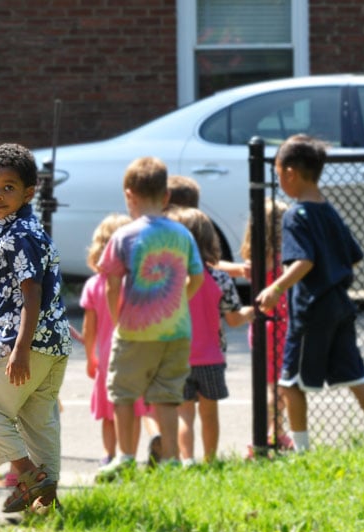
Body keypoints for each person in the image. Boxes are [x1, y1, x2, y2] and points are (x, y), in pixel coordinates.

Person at [255, 134, 364, 451]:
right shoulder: (330, 211)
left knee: (289, 383)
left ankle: (302, 449)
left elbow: (304, 261)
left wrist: (276, 287)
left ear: (290, 172)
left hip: (311, 310)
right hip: (339, 305)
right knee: (356, 374)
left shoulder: (295, 215)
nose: (279, 180)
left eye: (279, 173)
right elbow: (353, 255)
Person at [0, 143, 72, 514]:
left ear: (29, 192)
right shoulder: (21, 228)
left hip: (26, 344)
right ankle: (49, 511)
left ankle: (29, 477)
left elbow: (32, 293)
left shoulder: (17, 235)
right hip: (54, 344)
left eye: (8, 187)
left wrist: (21, 349)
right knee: (38, 422)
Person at [95, 156, 204, 482]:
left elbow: (111, 284)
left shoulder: (124, 236)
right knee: (167, 397)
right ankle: (170, 460)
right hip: (176, 332)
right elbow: (197, 276)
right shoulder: (182, 234)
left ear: (130, 195)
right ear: (166, 196)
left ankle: (125, 457)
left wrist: (118, 319)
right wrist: (179, 301)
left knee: (124, 395)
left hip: (135, 332)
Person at [168, 206, 253, 465]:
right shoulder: (220, 278)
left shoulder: (171, 280)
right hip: (212, 358)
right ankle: (210, 459)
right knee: (209, 412)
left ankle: (186, 460)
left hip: (179, 356)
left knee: (184, 414)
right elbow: (234, 319)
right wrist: (252, 311)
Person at [78, 213, 159, 466]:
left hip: (106, 357)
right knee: (133, 411)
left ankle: (108, 454)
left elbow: (88, 328)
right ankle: (129, 455)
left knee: (108, 413)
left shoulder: (94, 284)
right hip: (134, 352)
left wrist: (90, 357)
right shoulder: (137, 284)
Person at [240, 199, 294, 449]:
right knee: (278, 385)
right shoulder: (287, 259)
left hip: (263, 325)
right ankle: (273, 433)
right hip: (282, 325)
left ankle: (274, 432)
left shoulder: (257, 259)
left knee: (270, 382)